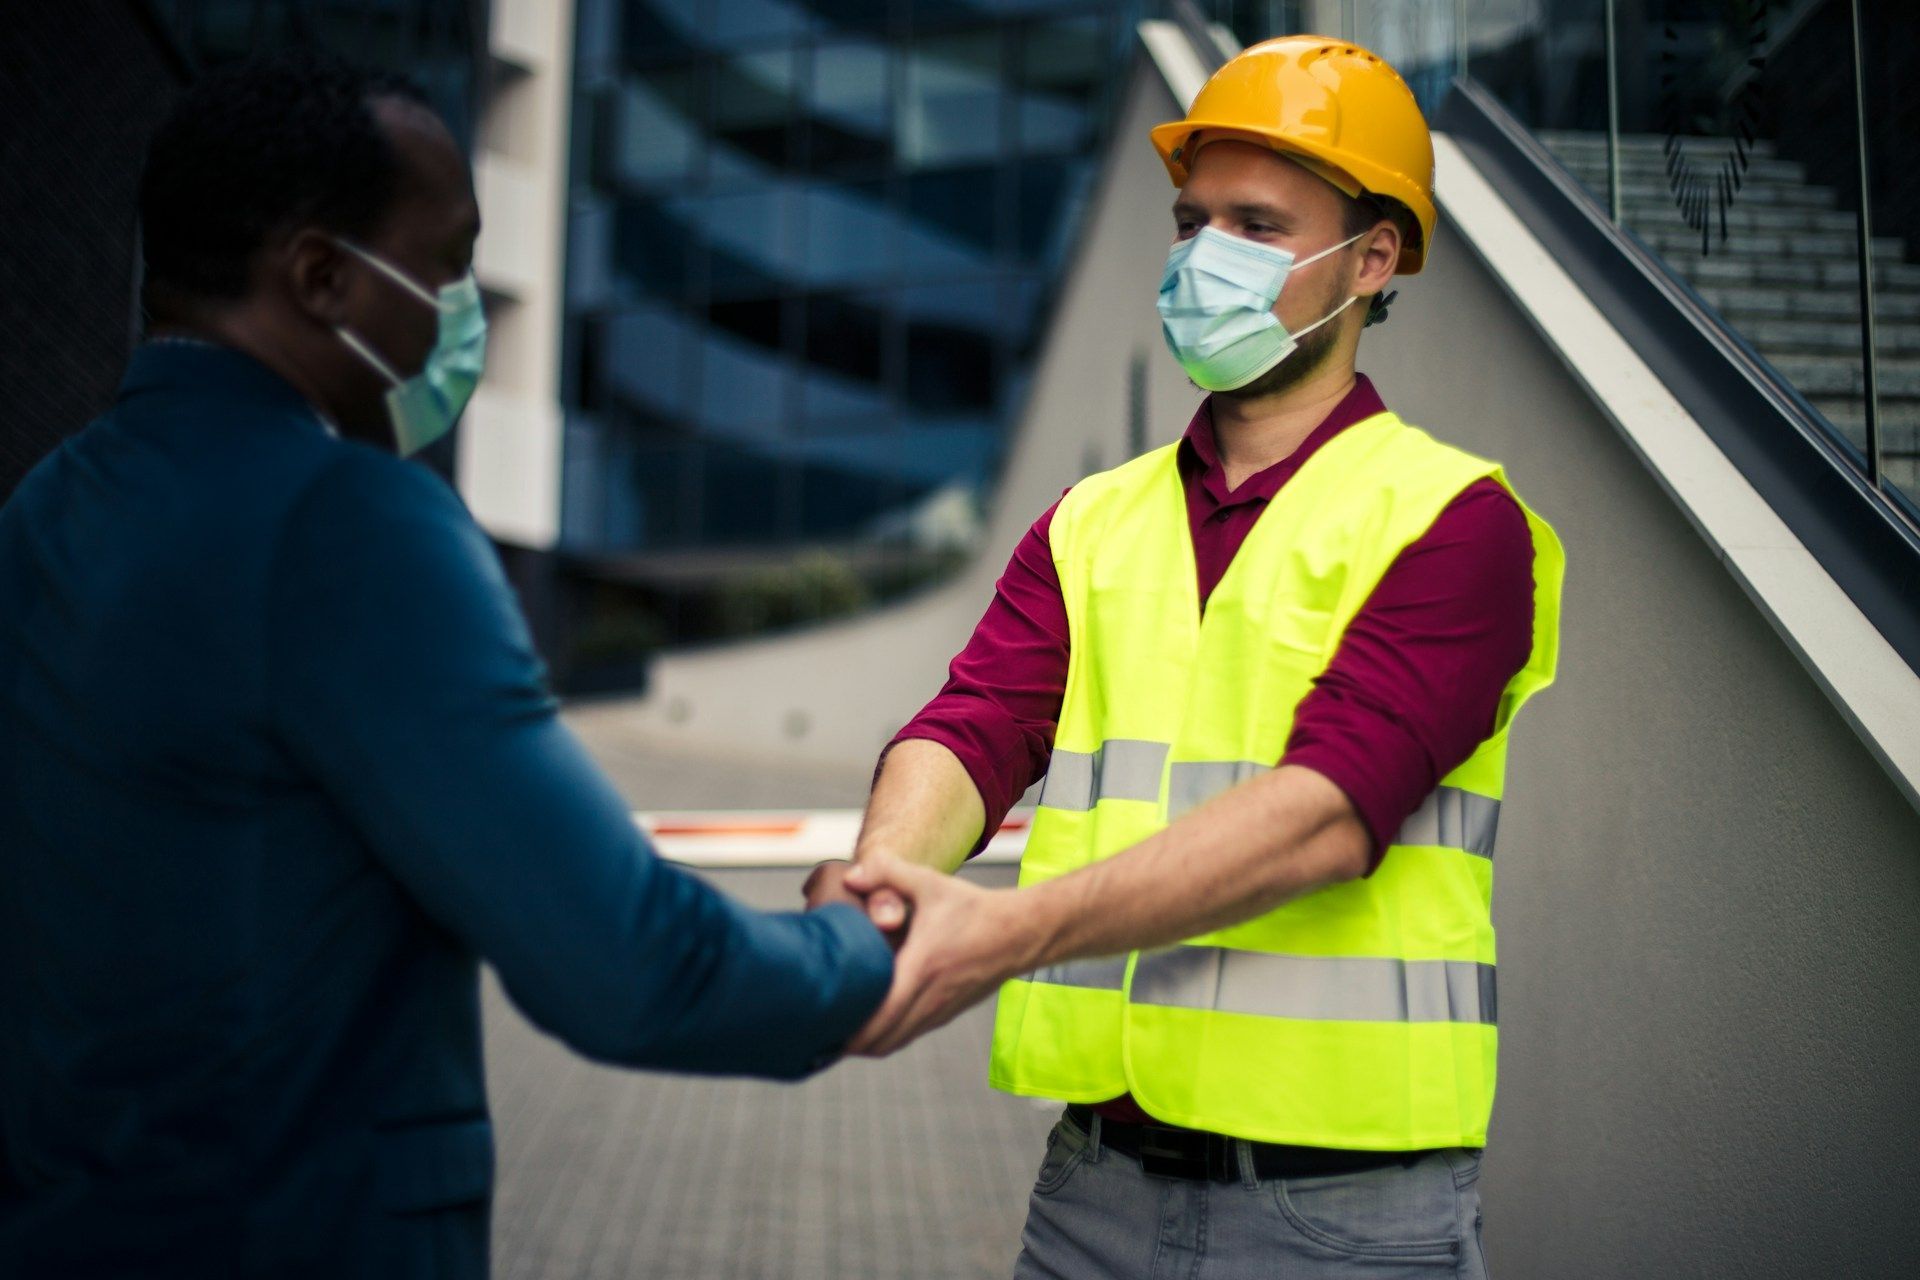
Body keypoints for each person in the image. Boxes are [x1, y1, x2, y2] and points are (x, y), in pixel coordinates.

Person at [0, 56, 896, 1278]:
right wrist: (865, 949)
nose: (457, 311)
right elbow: (632, 965)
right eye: (445, 263)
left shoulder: (44, 513)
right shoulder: (351, 523)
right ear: (321, 277)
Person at [810, 35, 1567, 1278]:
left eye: (1257, 224)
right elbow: (974, 725)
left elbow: (1330, 814)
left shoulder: (1454, 522)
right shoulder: (1092, 520)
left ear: (1373, 259)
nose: (1202, 256)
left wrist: (996, 933)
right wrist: (886, 890)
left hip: (1345, 1221)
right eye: (1191, 219)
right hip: (1090, 1194)